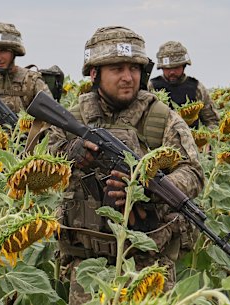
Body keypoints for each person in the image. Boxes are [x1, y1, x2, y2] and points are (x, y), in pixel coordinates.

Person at [47, 26, 204, 305]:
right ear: (94, 73)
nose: (127, 77)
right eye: (117, 68)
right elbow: (42, 166)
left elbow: (193, 172)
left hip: (147, 266)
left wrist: (149, 187)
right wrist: (71, 151)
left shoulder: (160, 119)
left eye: (133, 68)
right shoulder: (75, 117)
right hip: (87, 265)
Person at [150, 41, 219, 128]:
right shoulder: (151, 87)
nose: (172, 72)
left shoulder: (197, 88)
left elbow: (212, 121)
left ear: (184, 66)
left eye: (176, 67)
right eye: (168, 68)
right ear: (162, 68)